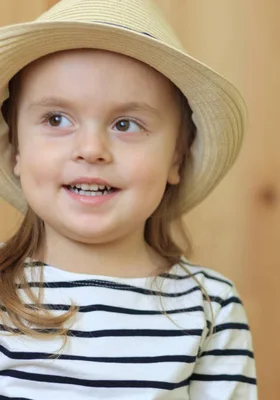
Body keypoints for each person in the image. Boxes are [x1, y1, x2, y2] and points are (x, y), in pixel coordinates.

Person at [0, 0, 257, 399]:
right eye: (56, 119)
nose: (90, 149)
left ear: (176, 157)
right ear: (16, 148)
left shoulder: (211, 308)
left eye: (126, 124)